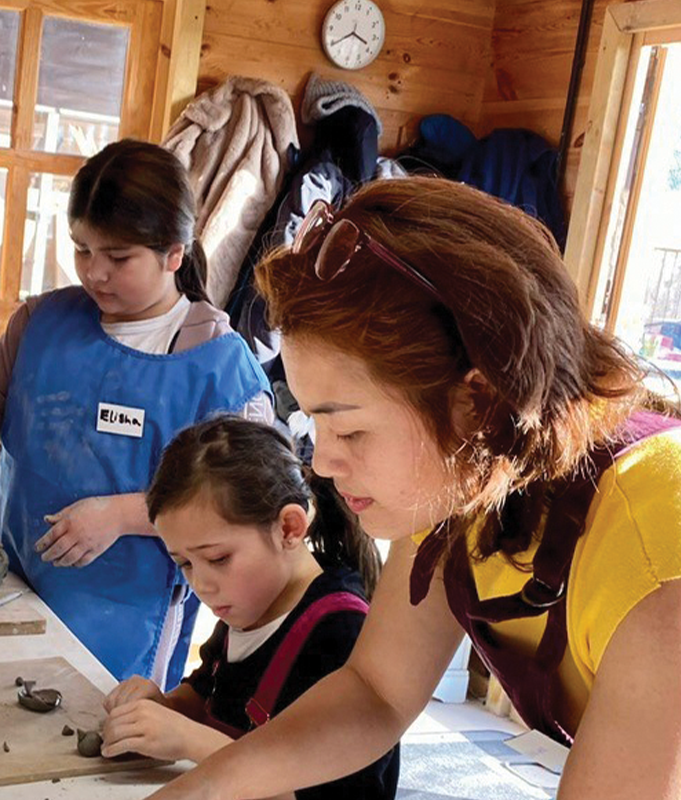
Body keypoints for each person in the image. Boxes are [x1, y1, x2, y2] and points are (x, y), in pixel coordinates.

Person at [145, 176, 681, 800]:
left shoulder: (655, 563)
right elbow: (377, 689)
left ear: (475, 400)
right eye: (314, 423)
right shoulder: (463, 469)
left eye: (348, 429)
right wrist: (198, 791)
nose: (322, 463)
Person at [0, 139, 273, 687]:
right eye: (82, 249)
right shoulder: (44, 322)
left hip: (128, 618)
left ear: (173, 253)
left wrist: (119, 515)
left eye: (118, 258)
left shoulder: (215, 362)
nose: (95, 274)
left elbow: (243, 502)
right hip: (7, 586)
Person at [101, 416, 398, 799]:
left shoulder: (342, 634)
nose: (202, 585)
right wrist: (163, 706)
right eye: (185, 564)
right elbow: (210, 688)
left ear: (289, 528)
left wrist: (190, 740)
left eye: (219, 558)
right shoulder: (250, 603)